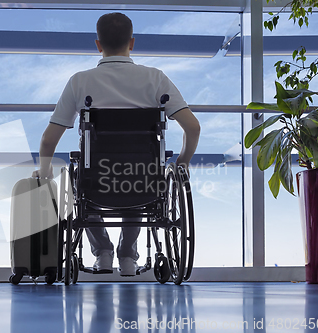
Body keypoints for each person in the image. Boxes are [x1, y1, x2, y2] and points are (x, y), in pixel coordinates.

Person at [32, 12, 200, 276]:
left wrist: (44, 171)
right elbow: (193, 127)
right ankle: (127, 256)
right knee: (140, 177)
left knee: (80, 185)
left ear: (98, 45)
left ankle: (103, 253)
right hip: (143, 182)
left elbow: (48, 139)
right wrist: (183, 162)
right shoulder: (156, 79)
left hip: (96, 182)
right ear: (131, 43)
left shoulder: (79, 81)